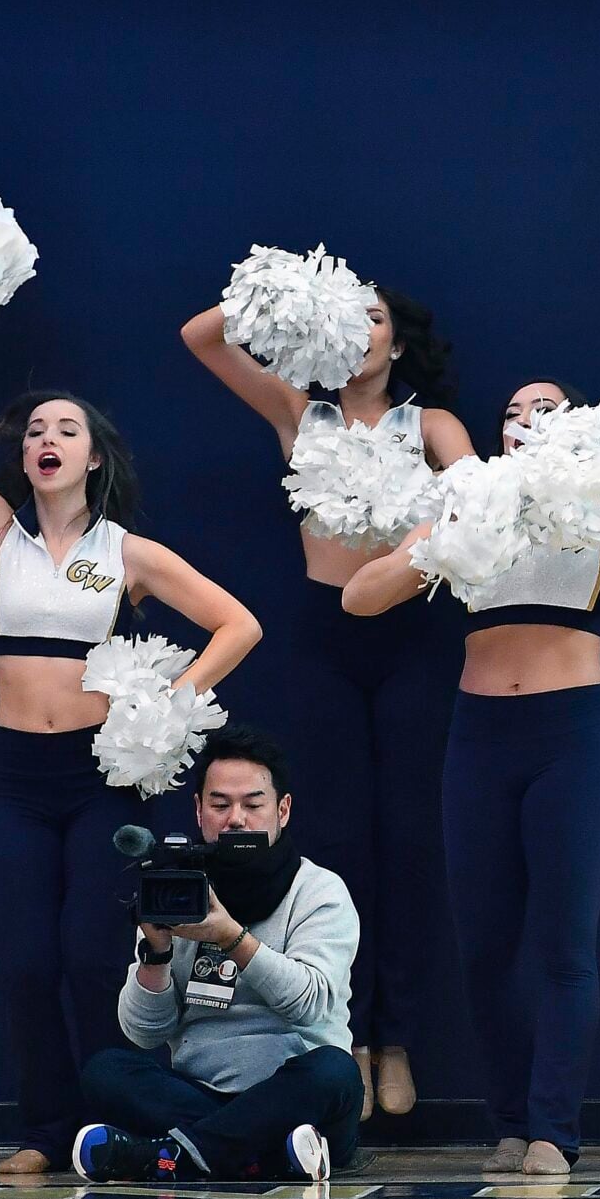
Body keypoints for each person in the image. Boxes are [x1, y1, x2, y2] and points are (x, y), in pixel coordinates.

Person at [0, 348, 261, 1176]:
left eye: (67, 428)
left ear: (92, 456)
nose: (48, 437)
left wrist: (167, 701)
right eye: (36, 428)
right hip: (15, 778)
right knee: (26, 961)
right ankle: (44, 1130)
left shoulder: (125, 551)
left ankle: (116, 1122)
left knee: (85, 954)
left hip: (98, 779)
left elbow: (238, 624)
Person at [344, 378, 600, 1177]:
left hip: (571, 740)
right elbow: (361, 597)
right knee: (487, 948)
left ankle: (552, 1130)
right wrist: (440, 537)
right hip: (480, 740)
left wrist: (595, 504)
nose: (526, 421)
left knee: (565, 943)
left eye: (546, 411)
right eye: (513, 413)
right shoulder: (466, 509)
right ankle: (508, 1117)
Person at [183, 286, 475, 1120]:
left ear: (399, 343)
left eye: (373, 319)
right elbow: (201, 337)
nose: (360, 334)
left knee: (410, 840)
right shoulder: (298, 414)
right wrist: (288, 295)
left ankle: (399, 1037)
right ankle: (339, 1032)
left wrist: (417, 541)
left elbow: (481, 503)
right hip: (323, 637)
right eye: (346, 322)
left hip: (415, 633)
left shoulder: (434, 426)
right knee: (337, 840)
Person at [72, 726, 363, 1182]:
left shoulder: (319, 890)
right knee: (105, 1071)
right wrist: (156, 954)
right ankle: (266, 1154)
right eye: (220, 805)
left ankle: (166, 1156)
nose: (236, 820)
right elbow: (146, 1035)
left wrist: (231, 936)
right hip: (202, 1094)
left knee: (334, 1071)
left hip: (294, 1089)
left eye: (253, 804)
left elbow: (310, 1004)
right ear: (198, 810)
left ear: (282, 810)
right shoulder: (178, 887)